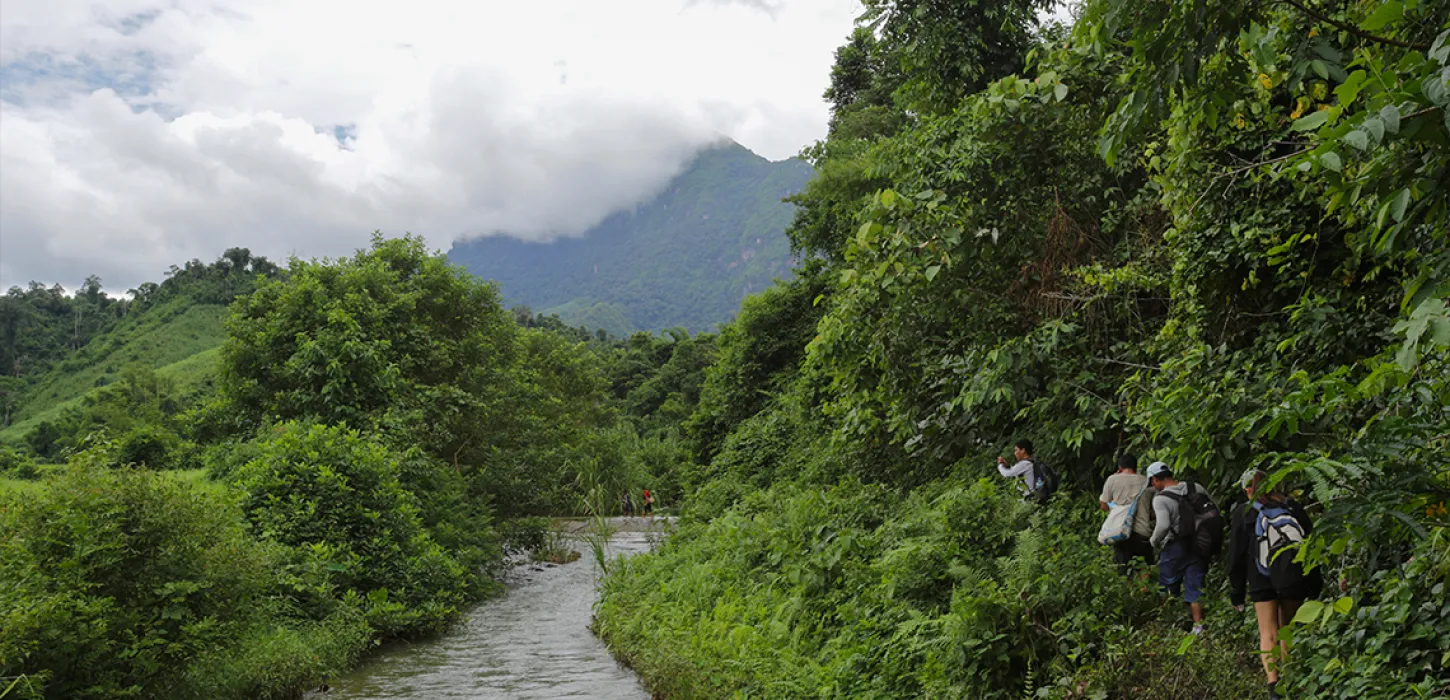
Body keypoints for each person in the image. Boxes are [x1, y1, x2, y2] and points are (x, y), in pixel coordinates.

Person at [1229, 469, 1320, 700]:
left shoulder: (1244, 512)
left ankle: (1274, 686)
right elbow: (1311, 542)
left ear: (1248, 488)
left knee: (1267, 631)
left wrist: (1236, 593)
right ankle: (1290, 678)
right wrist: (1314, 582)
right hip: (1291, 575)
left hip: (1259, 576)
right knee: (1286, 627)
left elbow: (1236, 556)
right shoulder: (1292, 507)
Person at [1147, 461, 1211, 634]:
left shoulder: (1160, 499)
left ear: (1154, 480)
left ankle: (1165, 624)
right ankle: (1199, 626)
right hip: (1199, 544)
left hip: (1175, 546)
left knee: (1166, 585)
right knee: (1195, 584)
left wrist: (1153, 542)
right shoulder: (1195, 487)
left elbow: (1163, 525)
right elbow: (1212, 510)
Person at [1099, 453, 1156, 575]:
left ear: (1120, 468)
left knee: (1125, 569)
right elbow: (1153, 511)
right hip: (1143, 531)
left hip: (1120, 532)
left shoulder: (1112, 480)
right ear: (1136, 467)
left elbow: (1103, 505)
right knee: (1145, 568)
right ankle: (1145, 591)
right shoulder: (1146, 482)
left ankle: (1130, 592)